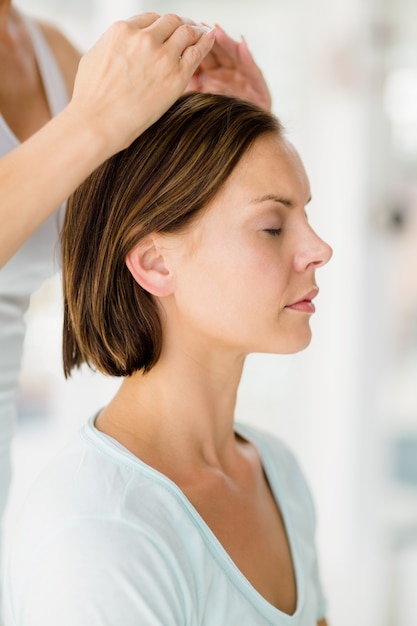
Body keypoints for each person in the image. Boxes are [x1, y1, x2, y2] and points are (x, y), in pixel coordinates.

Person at [4, 90, 332, 624]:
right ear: (156, 263)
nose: (320, 248)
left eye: (306, 216)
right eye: (273, 226)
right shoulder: (101, 532)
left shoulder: (277, 472)